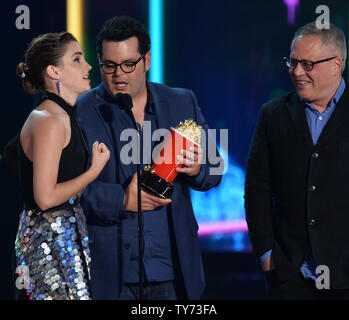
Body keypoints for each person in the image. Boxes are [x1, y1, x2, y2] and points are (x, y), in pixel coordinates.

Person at [75, 16, 222, 300]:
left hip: (173, 269)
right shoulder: (81, 110)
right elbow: (66, 191)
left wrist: (197, 167)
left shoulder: (182, 101)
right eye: (109, 65)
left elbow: (214, 170)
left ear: (147, 60)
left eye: (129, 64)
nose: (119, 74)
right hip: (111, 273)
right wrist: (121, 199)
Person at [244, 21, 349, 299]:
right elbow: (257, 189)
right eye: (292, 62)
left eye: (307, 64)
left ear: (336, 65)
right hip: (290, 277)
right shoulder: (273, 114)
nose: (297, 72)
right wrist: (267, 254)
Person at [13, 32, 110, 300]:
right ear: (54, 71)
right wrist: (93, 171)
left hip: (66, 238)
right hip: (48, 247)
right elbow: (44, 198)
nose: (89, 66)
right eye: (77, 60)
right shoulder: (50, 120)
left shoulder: (62, 116)